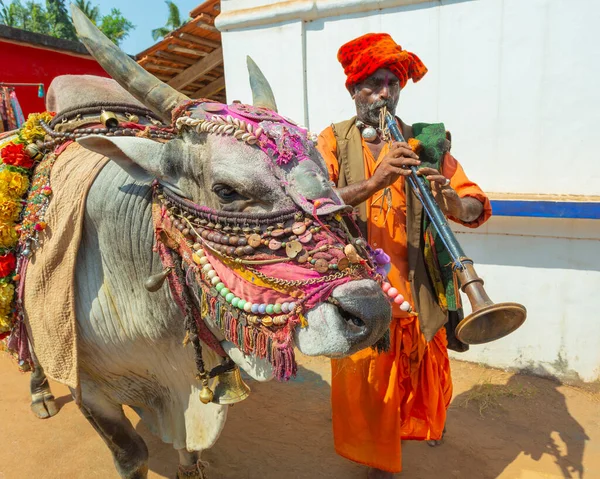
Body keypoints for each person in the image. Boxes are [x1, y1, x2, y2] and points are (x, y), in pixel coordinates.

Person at [317, 33, 492, 478]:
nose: (383, 94)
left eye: (392, 85)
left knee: (419, 385)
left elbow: (475, 205)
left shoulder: (427, 142)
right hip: (359, 290)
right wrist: (375, 182)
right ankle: (378, 462)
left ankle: (403, 436)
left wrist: (451, 202)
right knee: (367, 389)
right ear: (353, 90)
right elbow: (311, 203)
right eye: (373, 84)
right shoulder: (332, 141)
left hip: (419, 292)